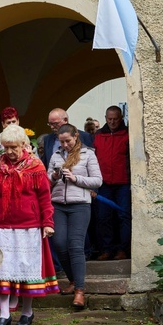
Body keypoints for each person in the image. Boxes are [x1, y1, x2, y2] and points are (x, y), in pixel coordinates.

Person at [0, 125, 59, 325]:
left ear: (23, 145)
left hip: (29, 227)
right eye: (6, 147)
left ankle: (27, 311)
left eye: (13, 147)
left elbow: (45, 198)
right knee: (2, 269)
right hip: (2, 226)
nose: (9, 152)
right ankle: (4, 314)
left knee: (27, 269)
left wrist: (47, 223)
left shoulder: (36, 167)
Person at [48, 124, 103, 309]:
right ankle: (72, 281)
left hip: (80, 205)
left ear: (76, 136)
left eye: (68, 141)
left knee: (75, 245)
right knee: (59, 244)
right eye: (62, 141)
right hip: (58, 205)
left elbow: (98, 180)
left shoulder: (88, 154)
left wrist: (75, 179)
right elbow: (46, 180)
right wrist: (55, 176)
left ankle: (79, 290)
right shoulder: (56, 155)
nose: (65, 145)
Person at [93, 106, 131, 261]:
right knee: (103, 217)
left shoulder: (128, 133)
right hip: (104, 183)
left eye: (115, 118)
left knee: (124, 216)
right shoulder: (98, 136)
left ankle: (123, 249)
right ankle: (106, 249)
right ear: (105, 118)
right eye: (110, 119)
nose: (113, 122)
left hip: (123, 182)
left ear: (121, 117)